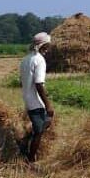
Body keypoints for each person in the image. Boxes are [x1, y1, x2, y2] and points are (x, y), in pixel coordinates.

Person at [19, 32, 54, 166]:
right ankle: (30, 159)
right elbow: (39, 84)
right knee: (40, 130)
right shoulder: (39, 60)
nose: (48, 49)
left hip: (28, 99)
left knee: (40, 126)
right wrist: (48, 104)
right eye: (47, 46)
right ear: (43, 46)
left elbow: (21, 82)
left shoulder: (25, 59)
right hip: (36, 102)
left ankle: (25, 142)